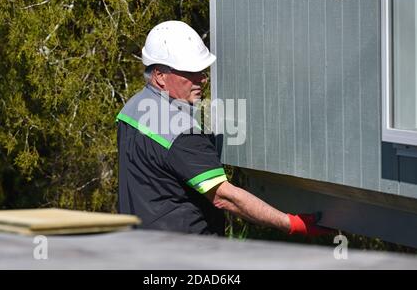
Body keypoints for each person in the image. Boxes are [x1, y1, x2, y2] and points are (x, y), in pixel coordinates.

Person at [116, 20, 329, 237]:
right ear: (160, 76)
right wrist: (290, 223)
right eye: (191, 72)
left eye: (202, 70)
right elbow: (223, 197)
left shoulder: (131, 109)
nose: (203, 79)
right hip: (183, 252)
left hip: (140, 244)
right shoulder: (181, 132)